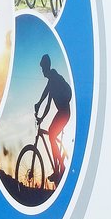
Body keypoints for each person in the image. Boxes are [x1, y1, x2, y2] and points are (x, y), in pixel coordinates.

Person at [34, 53, 72, 183]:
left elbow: (45, 92)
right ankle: (57, 170)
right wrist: (41, 118)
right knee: (51, 134)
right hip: (62, 112)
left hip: (64, 112)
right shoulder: (52, 82)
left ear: (46, 67)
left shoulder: (54, 77)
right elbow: (48, 105)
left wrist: (39, 103)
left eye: (42, 68)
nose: (42, 71)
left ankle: (60, 167)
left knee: (51, 135)